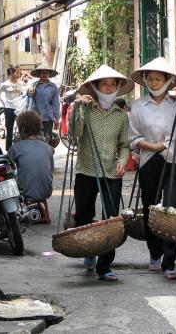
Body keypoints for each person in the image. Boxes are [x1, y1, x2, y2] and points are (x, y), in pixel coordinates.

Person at [128, 57, 176, 280]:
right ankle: (154, 253)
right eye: (150, 79)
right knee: (151, 209)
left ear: (168, 80)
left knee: (171, 209)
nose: (154, 83)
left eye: (158, 79)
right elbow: (133, 138)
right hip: (149, 161)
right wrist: (153, 146)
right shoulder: (137, 106)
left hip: (175, 160)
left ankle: (169, 262)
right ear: (145, 81)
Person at [72, 64, 133, 282]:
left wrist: (122, 160)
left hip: (111, 173)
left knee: (111, 219)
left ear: (117, 88)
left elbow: (125, 144)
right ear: (95, 87)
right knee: (83, 216)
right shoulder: (85, 109)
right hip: (86, 170)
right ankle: (89, 249)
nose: (108, 88)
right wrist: (77, 107)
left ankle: (105, 266)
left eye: (112, 85)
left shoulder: (121, 116)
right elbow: (74, 134)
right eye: (104, 84)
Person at [8, 111, 53, 222]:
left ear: (22, 130)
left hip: (24, 192)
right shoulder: (48, 148)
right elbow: (50, 169)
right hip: (46, 191)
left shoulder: (16, 148)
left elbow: (8, 167)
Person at [28, 63, 60, 145]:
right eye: (42, 72)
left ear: (49, 74)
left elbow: (56, 103)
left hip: (48, 118)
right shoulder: (34, 85)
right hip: (35, 117)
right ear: (39, 74)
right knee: (35, 140)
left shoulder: (53, 87)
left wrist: (57, 118)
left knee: (47, 140)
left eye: (47, 72)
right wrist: (30, 91)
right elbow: (28, 96)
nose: (45, 74)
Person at [0, 65, 25, 150]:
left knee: (22, 128)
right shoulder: (5, 84)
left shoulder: (21, 83)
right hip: (8, 109)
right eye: (17, 72)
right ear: (12, 73)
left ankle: (22, 147)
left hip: (19, 108)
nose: (19, 74)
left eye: (20, 73)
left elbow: (24, 93)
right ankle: (8, 149)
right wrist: (3, 103)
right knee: (9, 129)